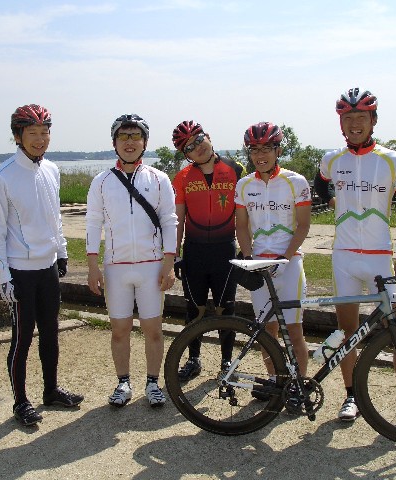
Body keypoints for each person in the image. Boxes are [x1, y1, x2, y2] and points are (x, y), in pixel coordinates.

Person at [314, 88, 396, 426]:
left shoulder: (393, 160)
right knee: (347, 331)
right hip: (344, 257)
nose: (355, 123)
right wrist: (333, 202)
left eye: (361, 117)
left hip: (380, 257)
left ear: (373, 120)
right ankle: (351, 397)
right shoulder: (332, 159)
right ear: (341, 123)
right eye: (348, 117)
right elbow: (320, 186)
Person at [0, 104, 84, 427]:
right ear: (18, 136)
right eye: (33, 133)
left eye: (45, 132)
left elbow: (55, 218)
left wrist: (62, 252)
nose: (40, 139)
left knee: (51, 333)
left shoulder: (52, 170)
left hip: (48, 267)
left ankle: (51, 390)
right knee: (22, 338)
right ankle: (20, 402)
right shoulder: (3, 176)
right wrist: (3, 276)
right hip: (20, 272)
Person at [85, 114, 178, 408]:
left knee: (153, 330)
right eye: (123, 136)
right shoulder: (101, 181)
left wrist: (169, 263)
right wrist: (92, 266)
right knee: (119, 330)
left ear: (144, 142)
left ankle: (153, 383)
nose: (129, 142)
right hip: (116, 268)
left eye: (135, 136)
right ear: (114, 142)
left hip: (151, 266)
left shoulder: (159, 178)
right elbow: (93, 223)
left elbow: (170, 220)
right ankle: (123, 382)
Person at [234, 122, 311, 399]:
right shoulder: (244, 185)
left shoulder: (296, 182)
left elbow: (303, 225)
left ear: (278, 150)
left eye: (266, 148)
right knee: (267, 331)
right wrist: (248, 258)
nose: (260, 155)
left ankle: (299, 385)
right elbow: (241, 226)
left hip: (289, 265)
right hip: (260, 264)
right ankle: (275, 381)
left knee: (294, 329)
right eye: (254, 150)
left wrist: (285, 257)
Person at [171, 120, 243, 380]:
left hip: (225, 251)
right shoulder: (182, 177)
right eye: (189, 147)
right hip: (195, 252)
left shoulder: (237, 169)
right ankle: (193, 359)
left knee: (226, 310)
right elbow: (178, 219)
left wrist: (246, 250)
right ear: (186, 155)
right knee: (195, 309)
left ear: (208, 136)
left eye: (199, 139)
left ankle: (227, 363)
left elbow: (245, 215)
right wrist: (176, 255)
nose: (197, 147)